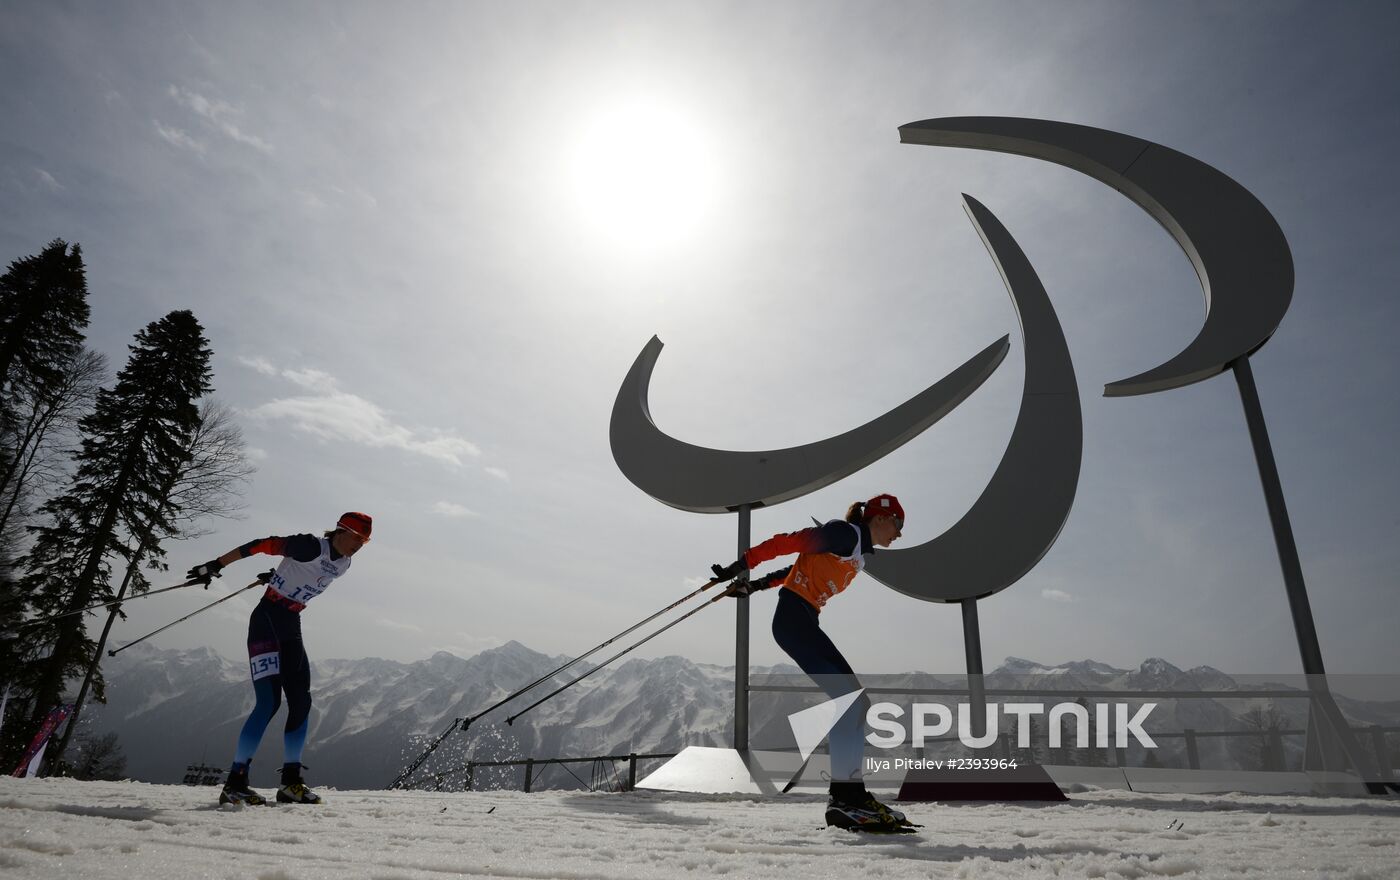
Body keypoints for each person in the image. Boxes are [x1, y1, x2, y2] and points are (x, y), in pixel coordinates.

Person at [710, 493, 915, 833]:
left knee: (856, 704)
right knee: (851, 704)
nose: (899, 533)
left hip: (803, 619)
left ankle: (853, 796)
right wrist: (744, 562)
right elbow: (788, 543)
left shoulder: (855, 551)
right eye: (898, 524)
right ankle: (845, 800)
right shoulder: (845, 534)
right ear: (880, 518)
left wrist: (756, 585)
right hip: (794, 621)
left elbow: (798, 567)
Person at [186, 511, 372, 806]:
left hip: (291, 623)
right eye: (357, 537)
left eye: (365, 541)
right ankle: (235, 783)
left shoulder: (344, 563)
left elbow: (302, 576)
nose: (359, 545)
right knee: (268, 702)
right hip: (267, 621)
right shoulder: (310, 546)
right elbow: (262, 544)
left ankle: (290, 783)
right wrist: (216, 564)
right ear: (340, 531)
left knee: (302, 701)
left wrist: (280, 577)